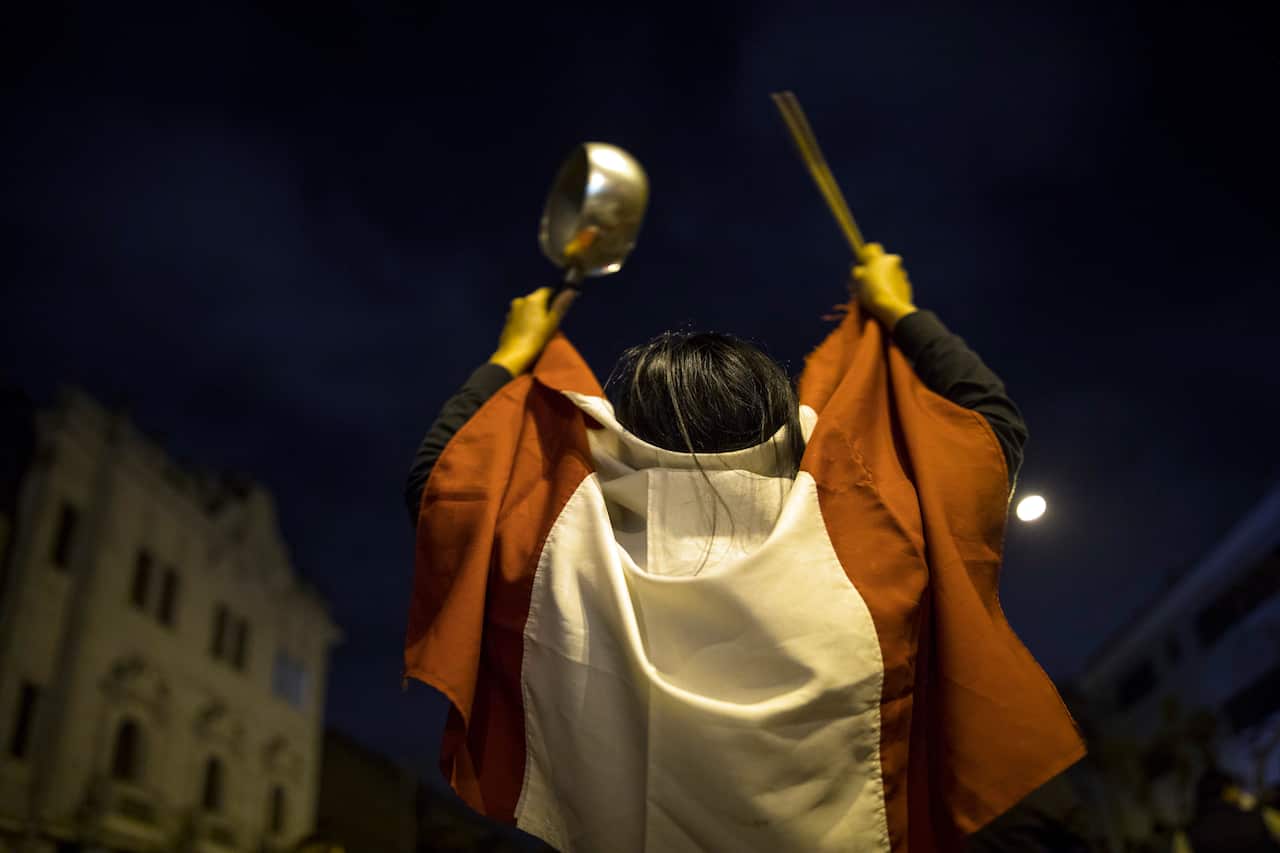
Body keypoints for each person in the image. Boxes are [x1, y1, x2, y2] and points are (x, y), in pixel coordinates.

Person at [402, 245, 1084, 852]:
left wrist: (513, 351)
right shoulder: (879, 547)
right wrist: (903, 312)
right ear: (784, 427)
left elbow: (440, 485)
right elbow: (990, 432)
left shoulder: (560, 558)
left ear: (627, 433)